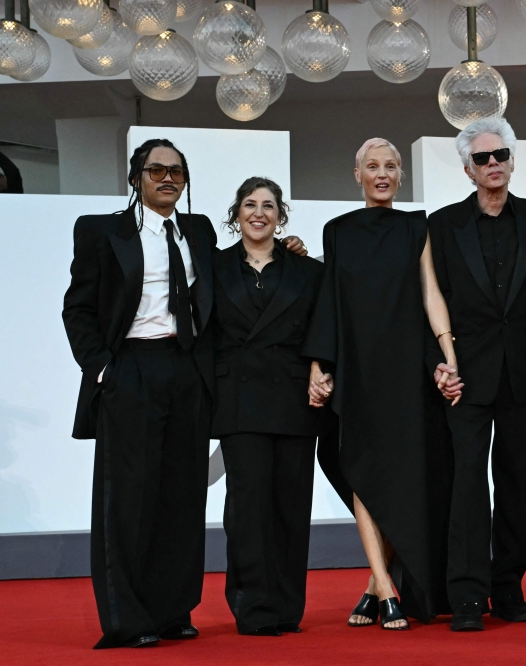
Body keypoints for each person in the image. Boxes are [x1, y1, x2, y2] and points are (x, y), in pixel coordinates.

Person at [62, 139, 216, 649]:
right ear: (136, 178)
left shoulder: (198, 229)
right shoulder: (102, 230)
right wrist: (104, 369)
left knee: (183, 496)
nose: (167, 178)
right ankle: (127, 618)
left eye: (176, 171)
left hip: (186, 370)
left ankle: (172, 611)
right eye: (156, 170)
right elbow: (78, 309)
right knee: (128, 499)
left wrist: (288, 249)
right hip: (130, 368)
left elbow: (226, 280)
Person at [303, 138, 458, 630]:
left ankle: (376, 586)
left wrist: (447, 355)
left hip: (407, 367)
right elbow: (329, 297)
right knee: (364, 471)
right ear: (357, 174)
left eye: (391, 166)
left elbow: (430, 292)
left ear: (400, 175)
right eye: (373, 166)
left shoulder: (417, 225)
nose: (383, 173)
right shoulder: (338, 230)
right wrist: (318, 363)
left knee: (402, 476)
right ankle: (385, 584)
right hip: (358, 369)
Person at [426, 118, 526, 632]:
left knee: (518, 485)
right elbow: (431, 300)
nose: (493, 163)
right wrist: (442, 363)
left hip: (524, 371)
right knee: (466, 489)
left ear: (511, 159)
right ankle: (465, 594)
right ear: (467, 169)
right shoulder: (441, 225)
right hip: (466, 378)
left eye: (500, 154)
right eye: (482, 158)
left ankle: (508, 588)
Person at [211, 177, 332, 636]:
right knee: (247, 507)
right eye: (249, 204)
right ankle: (253, 605)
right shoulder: (213, 265)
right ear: (236, 213)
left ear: (281, 215)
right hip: (238, 400)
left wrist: (322, 370)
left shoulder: (307, 270)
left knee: (290, 506)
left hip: (295, 398)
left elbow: (323, 329)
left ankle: (286, 606)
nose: (258, 212)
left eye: (268, 205)